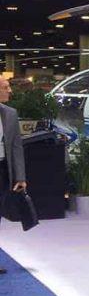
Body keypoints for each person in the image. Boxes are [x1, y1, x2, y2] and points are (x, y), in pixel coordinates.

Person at [0, 74, 29, 273]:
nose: (10, 90)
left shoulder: (10, 114)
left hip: (3, 169)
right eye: (5, 87)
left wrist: (20, 177)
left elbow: (16, 147)